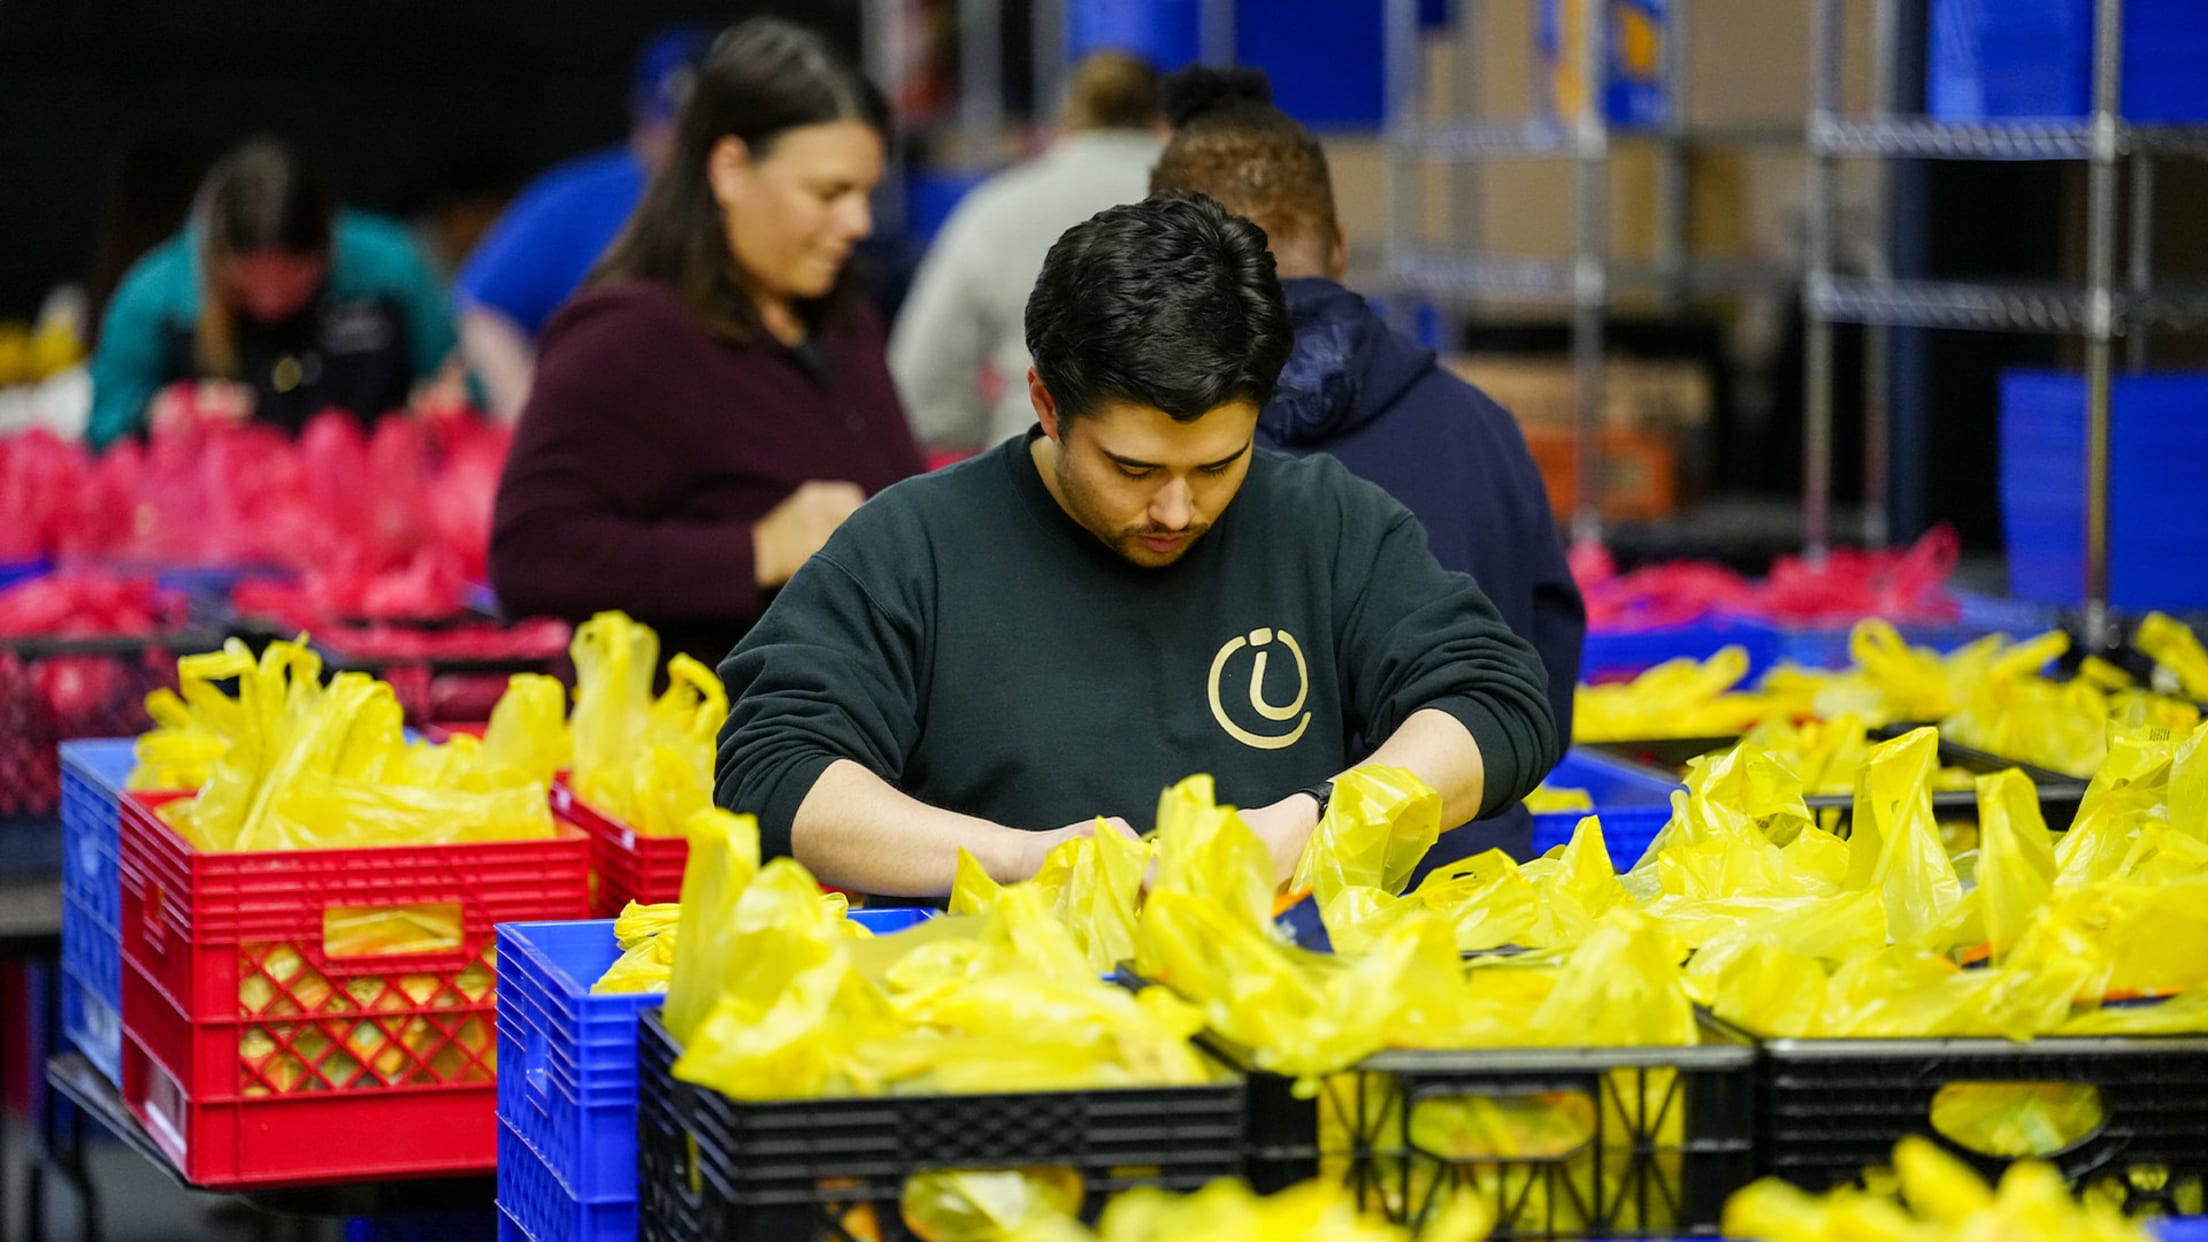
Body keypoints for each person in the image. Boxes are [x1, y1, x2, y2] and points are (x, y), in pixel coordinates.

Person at [717, 192, 1560, 899]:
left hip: (1281, 1013)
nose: (1176, 509)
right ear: (1047, 406)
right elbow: (773, 765)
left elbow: (1497, 699)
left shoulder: (1324, 522)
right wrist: (1020, 860)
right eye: (1132, 468)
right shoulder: (914, 547)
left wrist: (1318, 820)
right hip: (997, 1031)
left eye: (1218, 464)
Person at [1149, 67, 1586, 863]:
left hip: (1229, 905)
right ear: (1341, 247)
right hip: (1473, 899)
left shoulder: (1145, 454)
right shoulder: (1480, 429)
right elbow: (1541, 690)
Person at [490, 18, 924, 668]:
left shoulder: (843, 317)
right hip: (699, 747)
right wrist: (754, 551)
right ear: (729, 170)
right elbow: (532, 556)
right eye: (829, 192)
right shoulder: (628, 336)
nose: (858, 222)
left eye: (867, 192)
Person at [86, 137, 460, 450]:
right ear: (216, 255)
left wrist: (446, 405)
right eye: (247, 287)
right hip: (212, 526)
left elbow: (459, 383)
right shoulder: (154, 298)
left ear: (328, 247)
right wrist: (155, 415)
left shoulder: (393, 271)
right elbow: (101, 428)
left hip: (371, 510)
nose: (270, 305)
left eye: (292, 284)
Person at [888, 50, 1166, 455]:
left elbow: (922, 385)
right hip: (1191, 486)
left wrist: (1006, 425)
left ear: (1063, 122)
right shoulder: (1217, 206)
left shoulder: (994, 209)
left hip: (1034, 468)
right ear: (1163, 122)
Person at [454, 26, 713, 415]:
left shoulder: (762, 205)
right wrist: (531, 419)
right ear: (640, 118)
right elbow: (480, 312)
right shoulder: (579, 197)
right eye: (670, 132)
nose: (682, 153)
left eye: (699, 135)